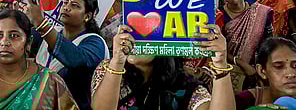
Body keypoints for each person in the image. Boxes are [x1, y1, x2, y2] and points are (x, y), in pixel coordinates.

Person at [91, 24, 235, 110]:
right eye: (133, 33)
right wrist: (117, 61)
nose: (136, 42)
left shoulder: (184, 87)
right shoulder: (109, 69)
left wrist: (220, 64)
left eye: (147, 36)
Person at [21, 0, 110, 110]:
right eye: (65, 2)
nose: (66, 7)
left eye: (74, 5)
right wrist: (20, 17)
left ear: (87, 16)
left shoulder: (95, 42)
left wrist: (41, 23)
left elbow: (76, 59)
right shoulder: (52, 32)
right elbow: (20, 43)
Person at [215, 0, 273, 93]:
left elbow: (269, 44)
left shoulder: (261, 12)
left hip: (258, 69)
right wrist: (242, 65)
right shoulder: (218, 15)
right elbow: (217, 48)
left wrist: (260, 69)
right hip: (228, 69)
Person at [235, 37, 296, 109]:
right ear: (261, 71)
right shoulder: (245, 100)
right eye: (279, 66)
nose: (291, 74)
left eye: (295, 66)